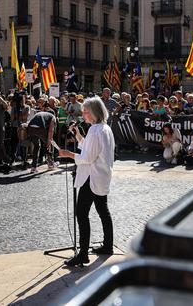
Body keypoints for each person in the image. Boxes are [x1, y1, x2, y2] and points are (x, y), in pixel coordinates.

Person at [58, 97, 115, 266]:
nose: (83, 114)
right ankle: (107, 245)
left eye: (85, 111)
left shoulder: (96, 130)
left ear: (94, 112)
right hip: (101, 175)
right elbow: (91, 149)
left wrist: (68, 154)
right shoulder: (103, 128)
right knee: (102, 210)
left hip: (92, 177)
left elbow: (88, 157)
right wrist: (78, 136)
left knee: (82, 214)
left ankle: (83, 254)